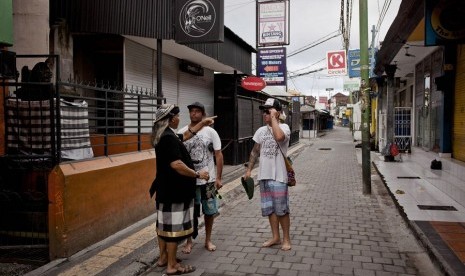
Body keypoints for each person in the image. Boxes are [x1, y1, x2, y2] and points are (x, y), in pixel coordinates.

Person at [149, 104, 213, 275]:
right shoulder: (168, 137)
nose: (179, 119)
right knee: (173, 230)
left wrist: (203, 124)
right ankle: (172, 265)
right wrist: (197, 174)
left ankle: (163, 259)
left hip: (165, 189)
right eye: (177, 116)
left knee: (163, 227)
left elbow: (185, 136)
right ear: (170, 119)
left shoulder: (165, 135)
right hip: (174, 191)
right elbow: (176, 164)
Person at [244, 98, 292, 251]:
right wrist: (249, 170)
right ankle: (275, 237)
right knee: (270, 209)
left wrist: (273, 119)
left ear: (277, 112)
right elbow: (255, 151)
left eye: (268, 110)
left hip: (279, 176)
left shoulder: (284, 128)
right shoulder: (261, 131)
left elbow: (279, 137)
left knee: (282, 209)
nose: (265, 114)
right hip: (264, 175)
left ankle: (286, 239)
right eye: (264, 111)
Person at [178, 102, 224, 253]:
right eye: (192, 111)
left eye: (198, 111)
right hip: (189, 181)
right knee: (190, 212)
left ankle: (208, 240)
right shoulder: (183, 131)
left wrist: (218, 178)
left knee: (210, 211)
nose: (194, 114)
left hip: (208, 182)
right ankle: (189, 241)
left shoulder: (211, 132)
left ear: (203, 114)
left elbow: (218, 154)